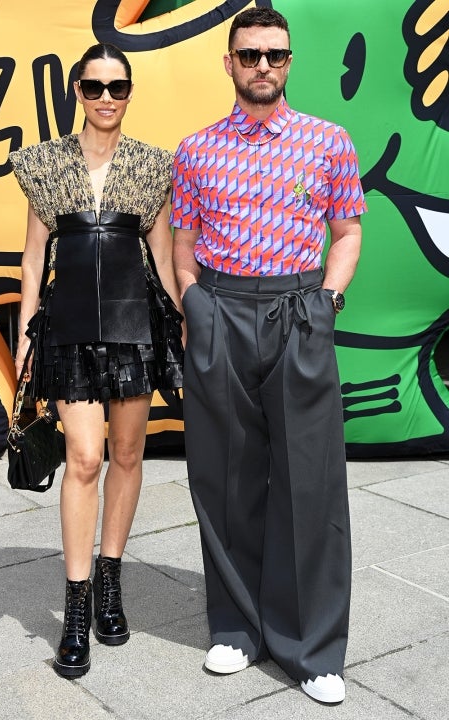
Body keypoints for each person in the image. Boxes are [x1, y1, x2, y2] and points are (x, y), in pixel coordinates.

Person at [170, 7, 366, 705]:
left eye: (274, 55)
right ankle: (235, 629)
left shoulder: (327, 141)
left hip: (297, 312)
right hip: (220, 310)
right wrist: (193, 305)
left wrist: (326, 303)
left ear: (288, 61)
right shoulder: (193, 150)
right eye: (248, 54)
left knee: (310, 484)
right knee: (222, 479)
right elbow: (181, 245)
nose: (262, 66)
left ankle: (312, 647)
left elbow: (345, 230)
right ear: (227, 61)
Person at [9, 42, 183, 679]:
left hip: (136, 326)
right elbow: (33, 256)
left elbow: (162, 257)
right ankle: (76, 608)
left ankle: (111, 581)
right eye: (93, 86)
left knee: (129, 455)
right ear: (76, 91)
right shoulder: (44, 164)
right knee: (84, 457)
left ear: (129, 92)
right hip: (69, 327)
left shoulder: (152, 166)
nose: (105, 98)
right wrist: (27, 333)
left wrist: (182, 325)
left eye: (117, 87)